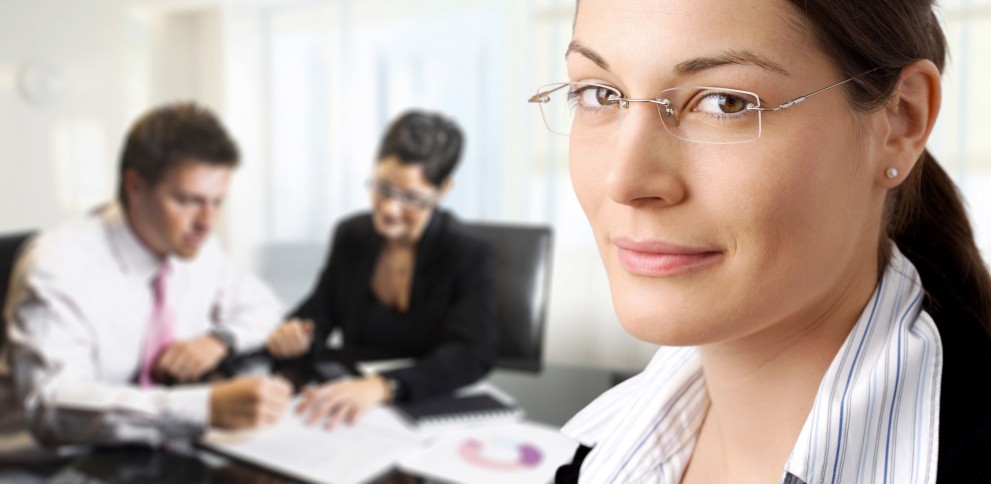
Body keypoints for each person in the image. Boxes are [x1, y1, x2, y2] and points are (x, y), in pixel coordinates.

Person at [527, 0, 991, 482]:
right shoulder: (604, 456)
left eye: (725, 102)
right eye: (601, 95)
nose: (625, 182)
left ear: (901, 121)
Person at [0, 102, 292, 458]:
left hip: (156, 459)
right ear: (135, 186)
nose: (206, 221)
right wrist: (200, 408)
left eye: (217, 202)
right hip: (55, 466)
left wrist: (220, 338)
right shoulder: (57, 265)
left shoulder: (194, 245)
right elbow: (53, 405)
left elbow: (265, 306)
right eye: (188, 200)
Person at [265, 110, 497, 428]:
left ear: (443, 191)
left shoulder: (468, 251)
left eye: (411, 198)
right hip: (355, 409)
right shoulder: (352, 235)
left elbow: (472, 353)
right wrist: (295, 333)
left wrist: (382, 386)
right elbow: (319, 312)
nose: (389, 209)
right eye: (383, 188)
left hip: (423, 406)